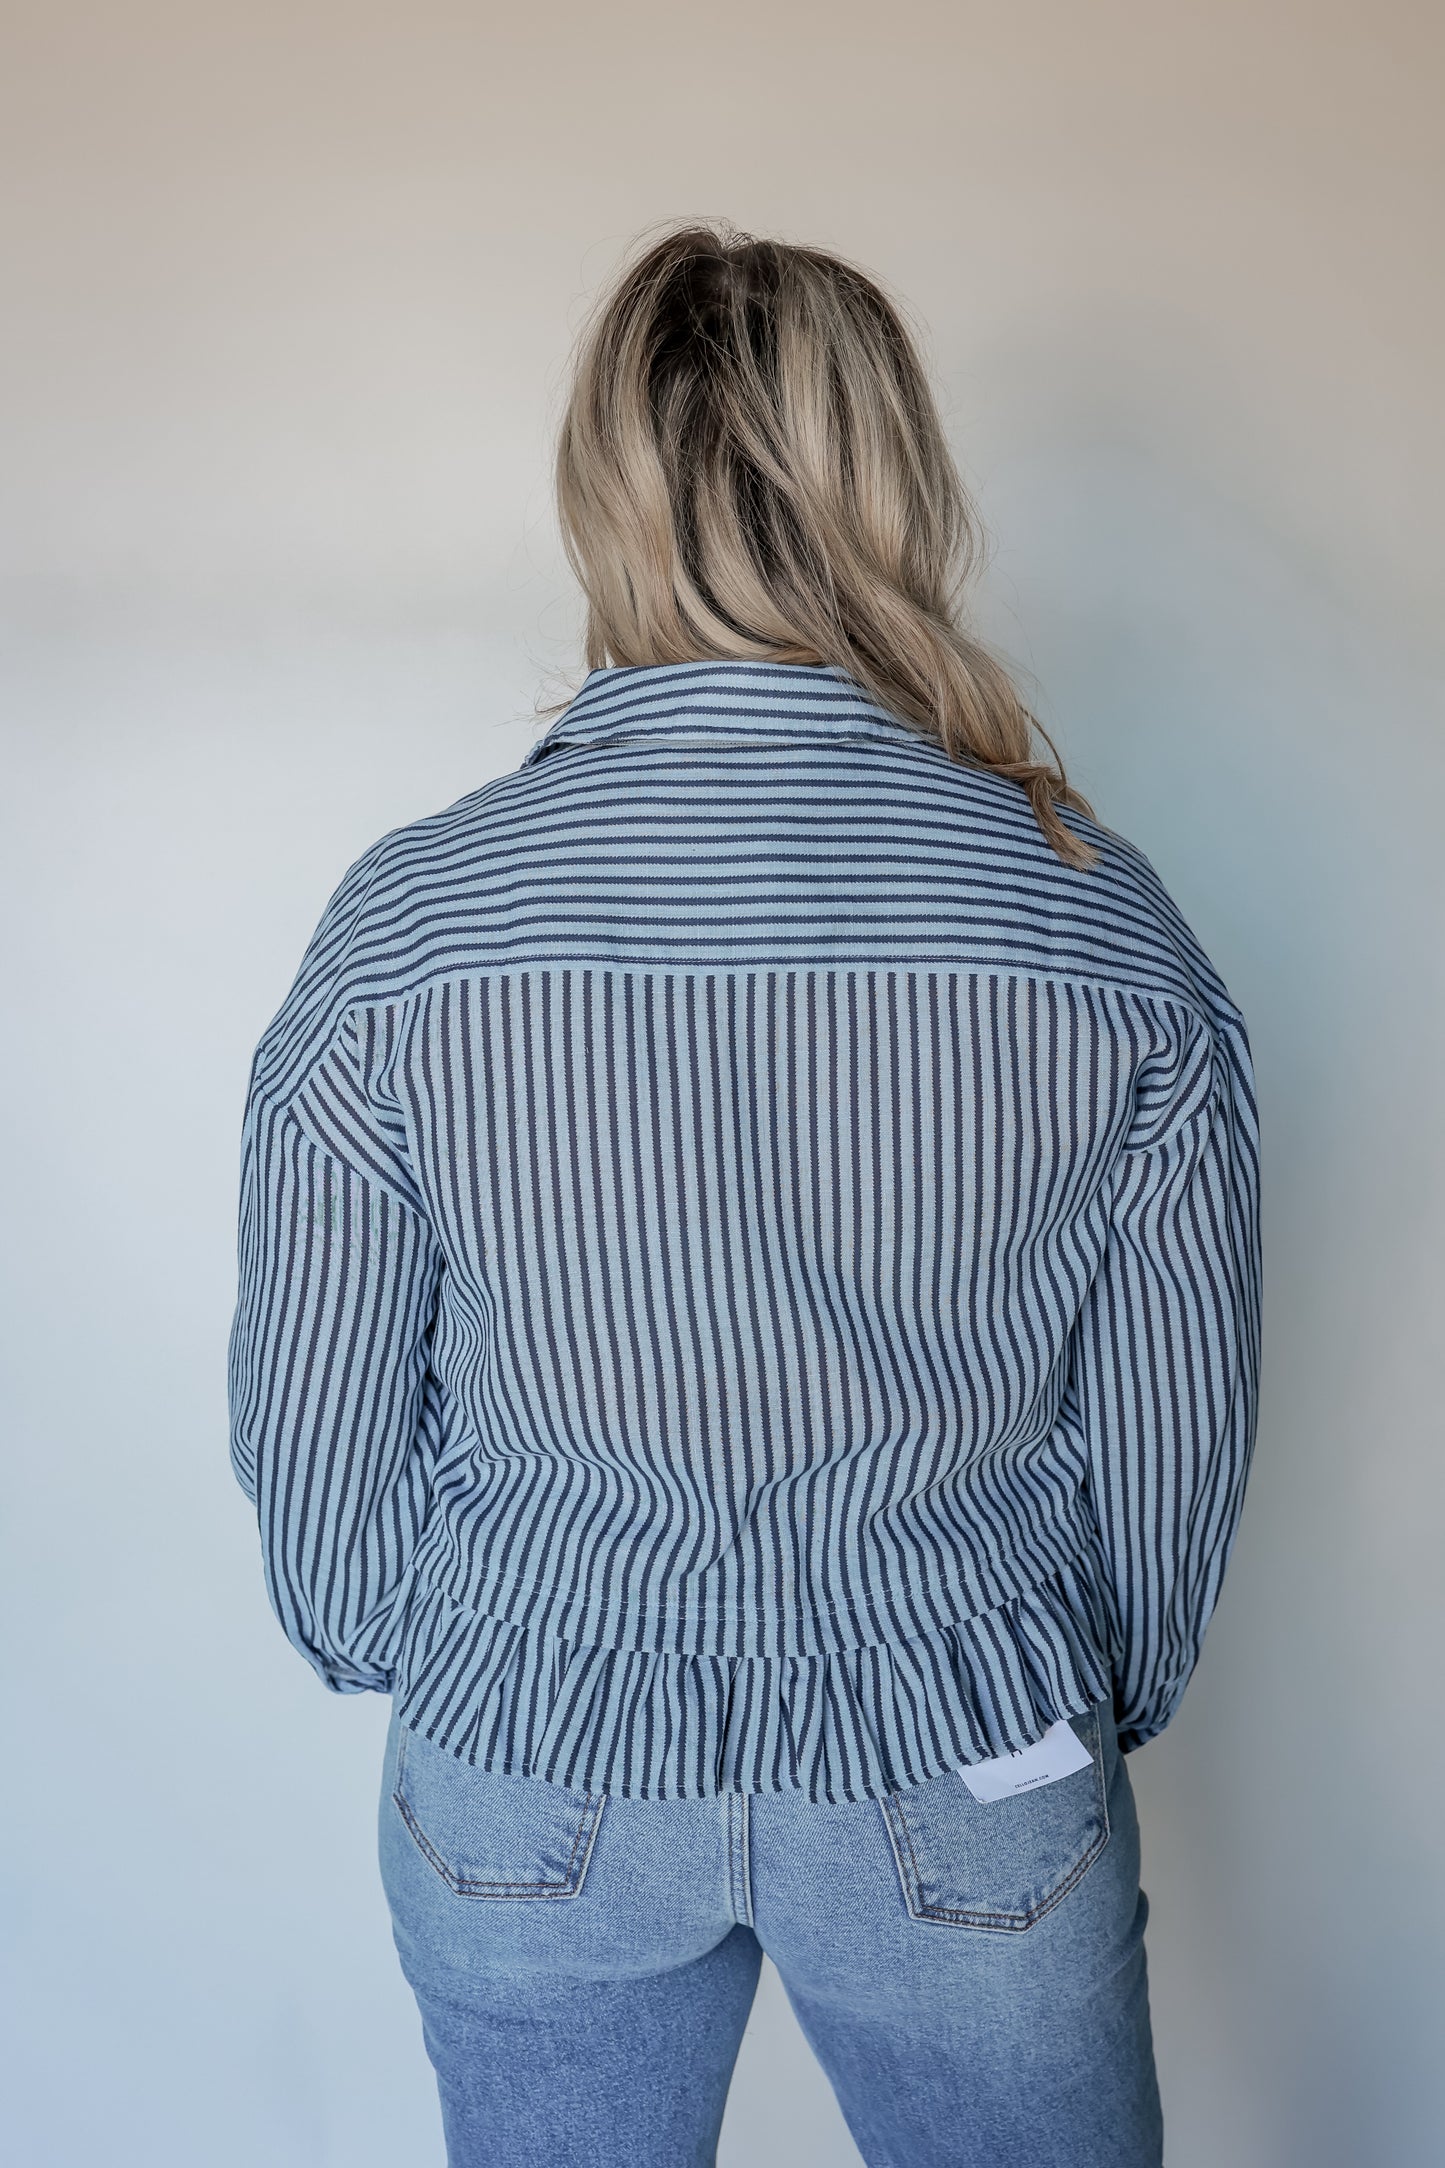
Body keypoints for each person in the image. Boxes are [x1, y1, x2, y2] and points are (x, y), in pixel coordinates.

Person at [228, 222, 1262, 2167]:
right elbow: (1170, 1476)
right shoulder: (1097, 921)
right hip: (969, 1757)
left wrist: (441, 1646)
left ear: (600, 497)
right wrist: (1054, 1690)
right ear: (900, 484)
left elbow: (327, 1504)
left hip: (528, 1757)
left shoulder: (415, 925)